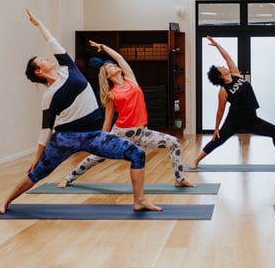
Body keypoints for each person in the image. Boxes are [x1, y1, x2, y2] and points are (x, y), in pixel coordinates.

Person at [0, 9, 161, 214]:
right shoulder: (49, 96)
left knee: (137, 154)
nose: (47, 58)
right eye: (42, 60)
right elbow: (45, 130)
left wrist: (38, 25)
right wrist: (37, 156)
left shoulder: (68, 68)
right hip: (65, 138)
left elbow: (52, 41)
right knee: (37, 173)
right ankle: (5, 202)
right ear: (39, 71)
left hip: (93, 135)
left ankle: (140, 200)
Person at [57, 41, 196, 188]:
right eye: (110, 67)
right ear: (107, 75)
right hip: (121, 134)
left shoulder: (131, 80)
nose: (115, 66)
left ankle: (179, 180)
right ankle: (68, 177)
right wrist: (101, 140)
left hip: (142, 132)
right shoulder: (111, 95)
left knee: (174, 142)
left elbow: (120, 59)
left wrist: (103, 47)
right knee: (96, 157)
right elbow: (108, 119)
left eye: (114, 65)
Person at [189, 36, 275, 169]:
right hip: (235, 120)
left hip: (251, 119)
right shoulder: (223, 91)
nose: (223, 66)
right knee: (218, 141)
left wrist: (217, 45)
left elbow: (227, 58)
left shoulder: (235, 75)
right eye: (220, 68)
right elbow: (220, 110)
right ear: (220, 75)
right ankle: (196, 161)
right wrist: (216, 128)